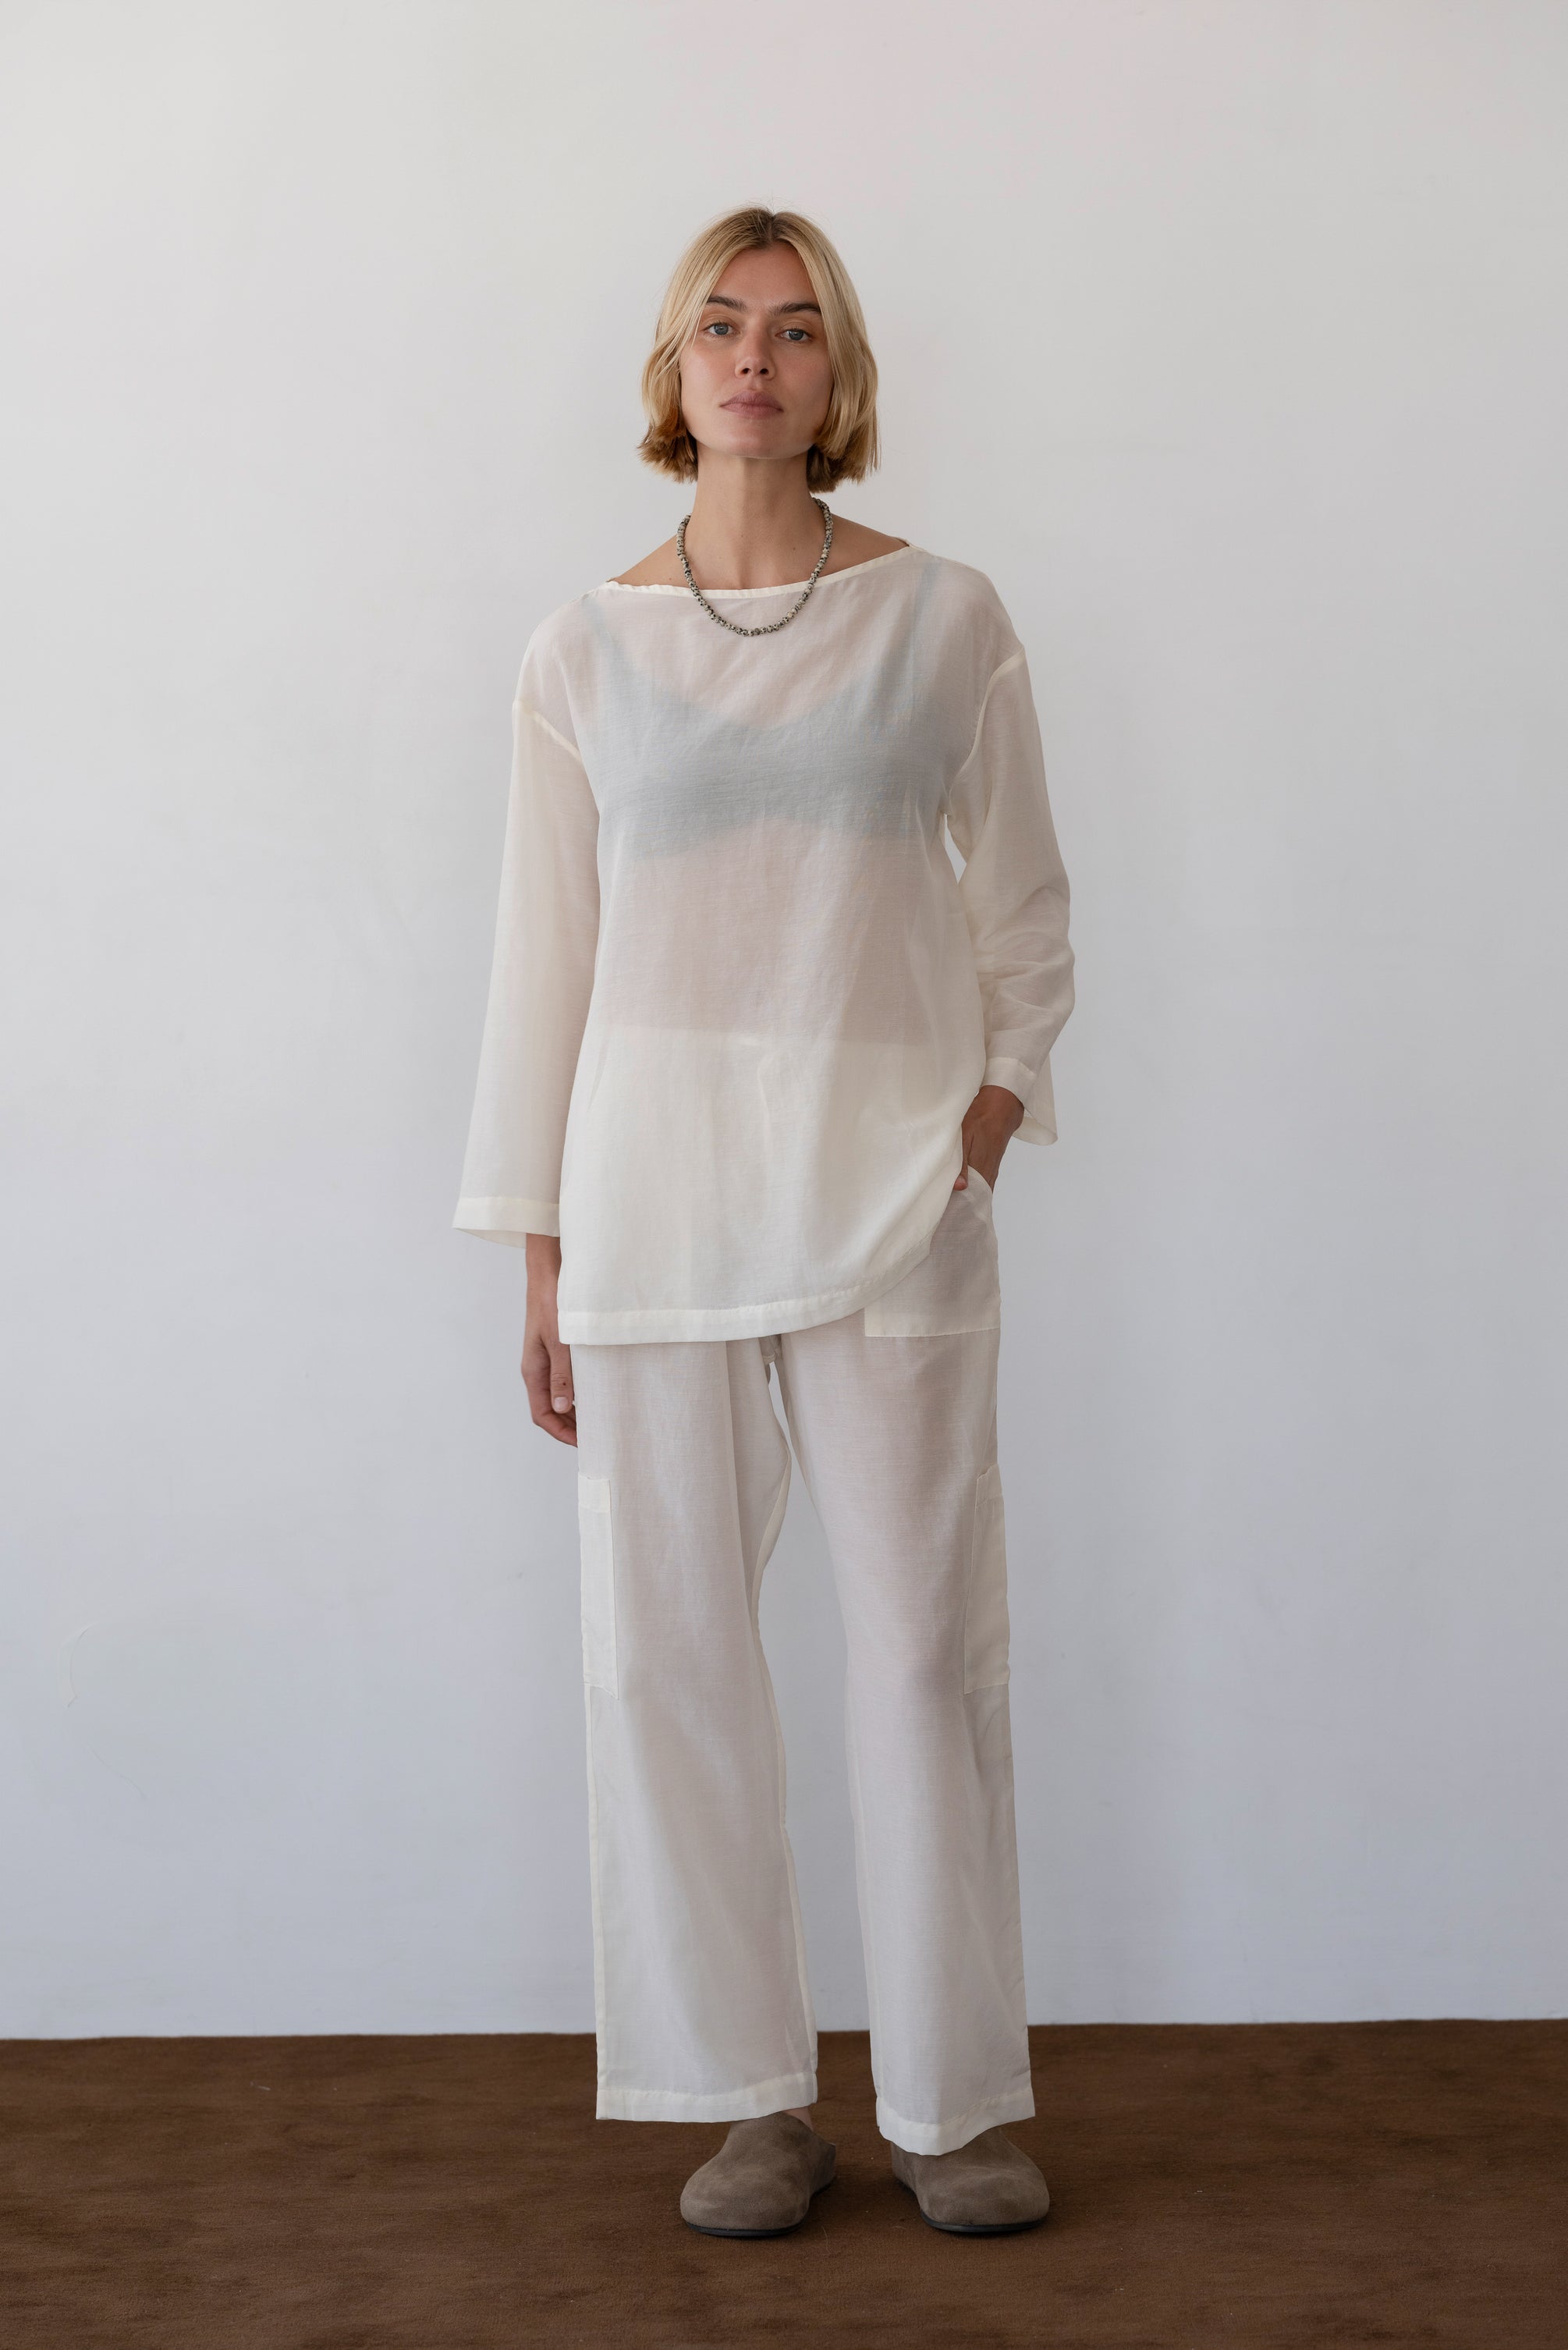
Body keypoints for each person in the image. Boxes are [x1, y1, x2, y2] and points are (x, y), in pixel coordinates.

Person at [454, 204, 1073, 2238]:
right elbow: (544, 964)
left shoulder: (944, 617)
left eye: (796, 330)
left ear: (838, 375)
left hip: (892, 1196)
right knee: (672, 1660)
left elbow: (1024, 907)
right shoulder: (579, 650)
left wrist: (985, 1118)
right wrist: (540, 1245)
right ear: (673, 368)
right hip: (652, 1204)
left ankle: (948, 2105)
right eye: (720, 325)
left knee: (920, 1656)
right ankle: (745, 2098)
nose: (755, 358)